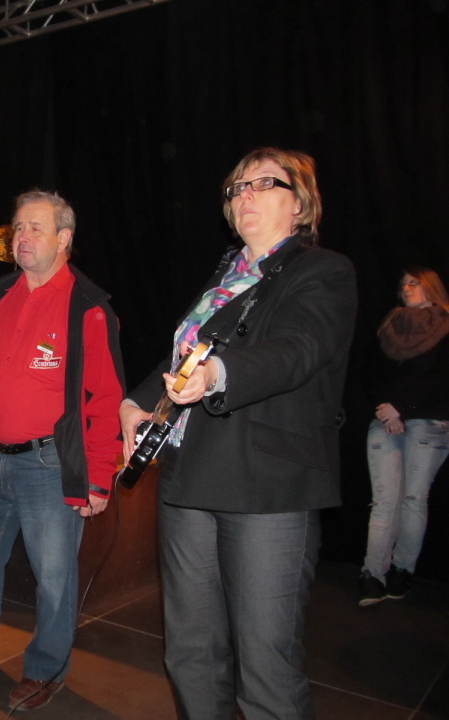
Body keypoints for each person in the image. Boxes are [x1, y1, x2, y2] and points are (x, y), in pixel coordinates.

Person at [119, 148, 357, 719]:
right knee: (191, 653)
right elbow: (183, 356)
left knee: (266, 668)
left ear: (299, 204)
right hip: (190, 476)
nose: (244, 195)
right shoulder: (226, 278)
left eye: (263, 184)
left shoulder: (322, 270)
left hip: (266, 485)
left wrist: (220, 374)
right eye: (236, 188)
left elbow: (298, 350)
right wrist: (135, 403)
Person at [0, 190, 125, 711]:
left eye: (36, 228)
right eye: (18, 227)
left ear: (64, 239)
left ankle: (45, 672)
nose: (22, 237)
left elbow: (106, 398)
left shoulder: (88, 307)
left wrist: (98, 476)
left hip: (49, 465)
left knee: (55, 579)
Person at [358, 267, 449, 606]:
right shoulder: (390, 326)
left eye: (414, 283)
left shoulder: (446, 326)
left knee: (413, 499)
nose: (407, 289)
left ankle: (402, 570)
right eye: (403, 285)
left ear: (430, 288)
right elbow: (370, 372)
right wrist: (387, 407)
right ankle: (372, 574)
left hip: (429, 421)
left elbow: (439, 378)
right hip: (385, 419)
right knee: (385, 501)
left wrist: (403, 408)